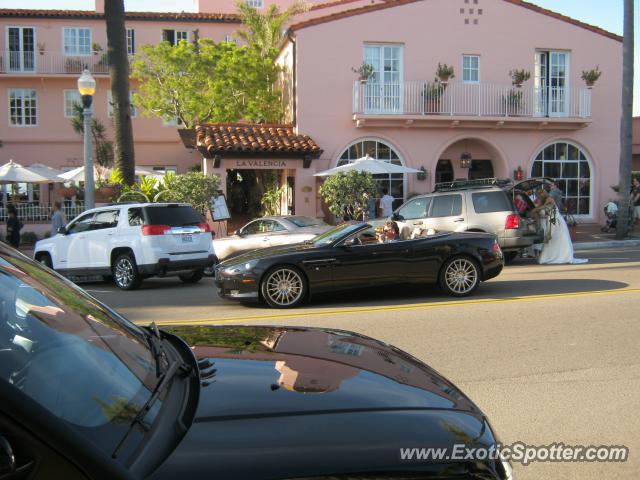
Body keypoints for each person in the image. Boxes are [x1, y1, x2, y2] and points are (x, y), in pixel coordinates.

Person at [531, 189, 587, 265]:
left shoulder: (549, 199)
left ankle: (563, 256)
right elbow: (542, 210)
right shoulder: (542, 201)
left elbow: (546, 207)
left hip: (556, 220)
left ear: (541, 195)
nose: (537, 198)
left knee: (557, 237)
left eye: (538, 196)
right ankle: (550, 256)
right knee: (552, 239)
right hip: (550, 220)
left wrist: (536, 208)